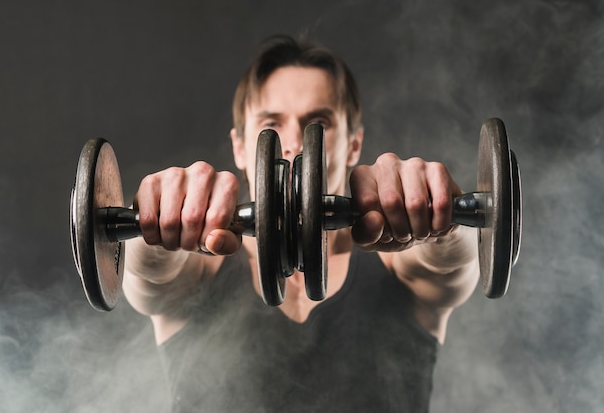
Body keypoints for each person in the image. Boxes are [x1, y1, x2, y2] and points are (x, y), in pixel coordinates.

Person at [122, 34, 479, 412]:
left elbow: (449, 264)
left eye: (318, 122)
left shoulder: (398, 266)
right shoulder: (200, 271)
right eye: (271, 122)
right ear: (240, 146)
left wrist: (444, 224)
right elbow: (152, 274)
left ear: (354, 145)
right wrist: (152, 228)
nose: (294, 142)